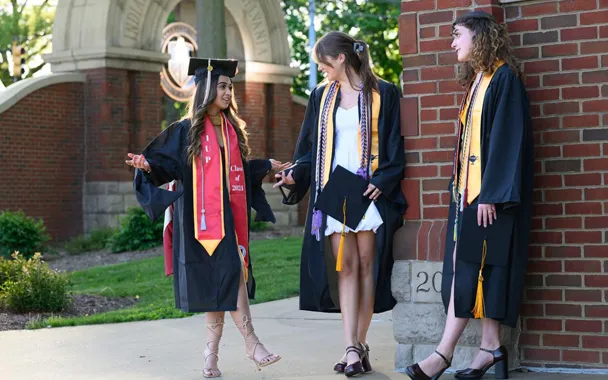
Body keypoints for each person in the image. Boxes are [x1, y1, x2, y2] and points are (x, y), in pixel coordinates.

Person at [126, 58, 288, 378]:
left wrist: (265, 165)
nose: (229, 92)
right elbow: (169, 168)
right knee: (223, 282)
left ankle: (226, 352)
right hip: (198, 219)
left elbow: (236, 171)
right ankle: (235, 348)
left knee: (229, 277)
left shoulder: (231, 130)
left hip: (228, 216)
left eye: (231, 86)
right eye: (223, 86)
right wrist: (148, 167)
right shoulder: (185, 131)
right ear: (207, 89)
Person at [405, 11, 534, 380]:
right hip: (469, 197)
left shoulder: (504, 78)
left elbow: (508, 141)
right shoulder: (479, 80)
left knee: (472, 270)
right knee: (482, 270)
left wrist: (491, 195)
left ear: (479, 36)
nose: (452, 43)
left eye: (457, 35)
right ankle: (490, 348)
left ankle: (441, 356)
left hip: (488, 198)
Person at [274, 31, 406, 377]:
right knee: (344, 267)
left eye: (324, 63)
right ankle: (350, 346)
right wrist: (294, 174)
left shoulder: (384, 94)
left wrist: (383, 180)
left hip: (367, 192)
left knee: (366, 267)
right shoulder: (321, 97)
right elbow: (307, 149)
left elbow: (395, 143)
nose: (322, 70)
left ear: (342, 59)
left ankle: (360, 345)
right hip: (334, 192)